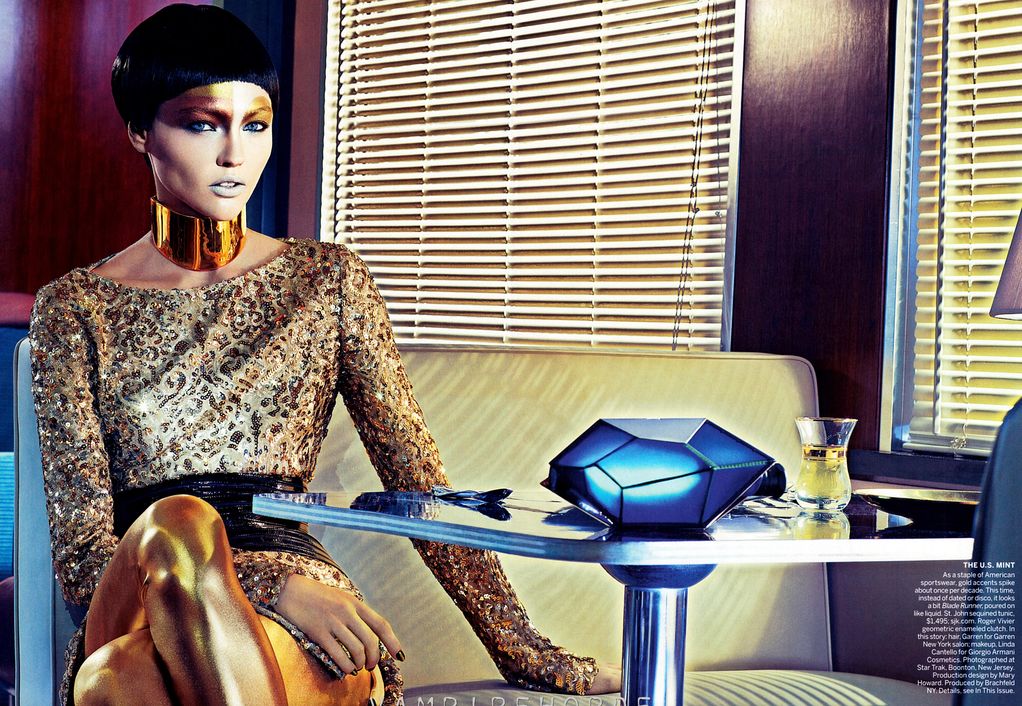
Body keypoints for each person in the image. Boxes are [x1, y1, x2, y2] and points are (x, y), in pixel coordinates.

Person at [28, 5, 621, 706]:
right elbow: (83, 564)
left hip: (299, 612)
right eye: (202, 125)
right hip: (139, 596)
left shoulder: (327, 281)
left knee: (113, 684)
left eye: (255, 125)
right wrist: (268, 585)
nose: (234, 154)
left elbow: (420, 488)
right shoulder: (74, 307)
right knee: (177, 524)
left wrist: (523, 648)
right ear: (138, 131)